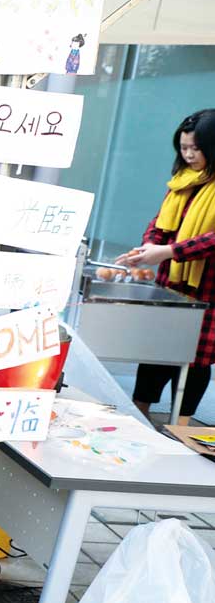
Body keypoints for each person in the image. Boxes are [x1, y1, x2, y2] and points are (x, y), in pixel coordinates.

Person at [119, 109, 215, 423]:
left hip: (207, 288)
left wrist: (168, 251)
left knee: (195, 359)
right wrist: (148, 246)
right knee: (156, 350)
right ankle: (138, 414)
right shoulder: (183, 181)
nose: (188, 155)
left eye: (196, 148)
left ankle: (182, 426)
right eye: (183, 148)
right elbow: (160, 222)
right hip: (171, 284)